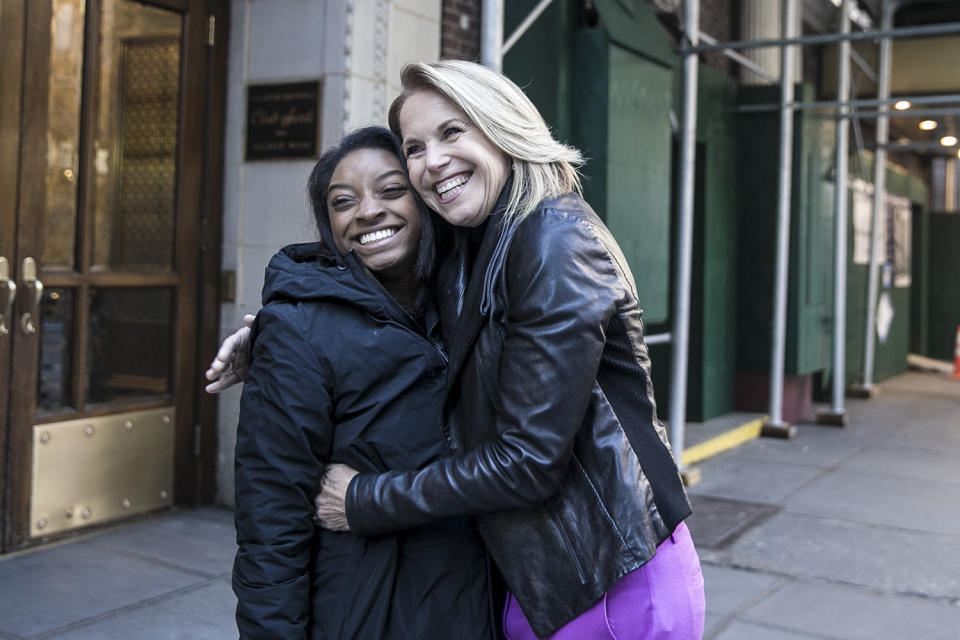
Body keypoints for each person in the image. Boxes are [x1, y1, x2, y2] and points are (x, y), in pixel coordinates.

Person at [210, 62, 705, 639]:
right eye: (415, 147)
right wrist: (273, 339)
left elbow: (527, 459)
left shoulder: (550, 238)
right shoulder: (473, 256)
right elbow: (272, 521)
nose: (433, 161)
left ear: (501, 128)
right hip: (538, 578)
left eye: (452, 132)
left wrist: (364, 498)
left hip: (606, 572)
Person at [228, 126, 493, 639]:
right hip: (371, 611)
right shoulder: (298, 330)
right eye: (343, 202)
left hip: (482, 597)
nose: (368, 212)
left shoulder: (468, 297)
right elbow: (270, 524)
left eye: (392, 191)